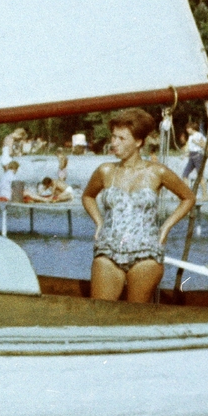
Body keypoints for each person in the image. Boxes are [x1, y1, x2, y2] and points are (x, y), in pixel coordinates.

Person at [82, 108, 196, 304]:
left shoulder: (157, 172)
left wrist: (166, 228)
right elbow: (87, 196)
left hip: (146, 254)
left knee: (136, 315)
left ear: (138, 142)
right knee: (99, 314)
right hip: (108, 250)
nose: (113, 143)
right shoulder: (106, 171)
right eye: (113, 137)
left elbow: (188, 197)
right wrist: (99, 223)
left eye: (121, 138)